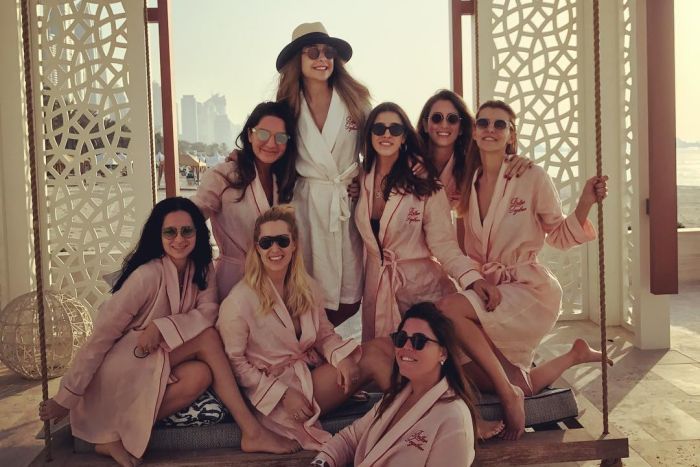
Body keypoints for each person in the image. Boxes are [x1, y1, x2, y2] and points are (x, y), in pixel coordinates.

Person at [39, 197, 299, 467]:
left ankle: (116, 433)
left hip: (159, 357)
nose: (179, 239)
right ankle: (252, 431)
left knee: (200, 375)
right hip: (126, 362)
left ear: (197, 233)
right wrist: (67, 396)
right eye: (170, 232)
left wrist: (161, 327)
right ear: (159, 235)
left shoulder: (202, 270)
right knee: (209, 339)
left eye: (187, 231)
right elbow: (100, 337)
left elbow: (209, 312)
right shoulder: (146, 276)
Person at [436, 100, 610, 440]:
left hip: (528, 291)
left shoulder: (531, 176)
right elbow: (431, 190)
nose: (490, 129)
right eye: (483, 123)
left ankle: (507, 395)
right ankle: (572, 356)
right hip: (489, 290)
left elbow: (558, 236)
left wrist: (585, 202)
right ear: (474, 133)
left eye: (499, 124)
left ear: (511, 135)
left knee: (448, 311)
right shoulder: (467, 179)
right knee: (483, 373)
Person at [217, 205, 393, 450]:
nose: (275, 249)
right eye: (266, 243)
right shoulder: (239, 301)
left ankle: (408, 419)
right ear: (257, 248)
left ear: (294, 244)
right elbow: (234, 364)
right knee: (374, 357)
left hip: (308, 375)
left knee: (386, 345)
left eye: (282, 241)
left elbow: (323, 335)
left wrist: (340, 358)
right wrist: (282, 394)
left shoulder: (305, 287)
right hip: (278, 398)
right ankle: (404, 428)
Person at [355, 102, 483, 342]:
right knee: (381, 357)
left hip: (421, 290)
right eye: (379, 128)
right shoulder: (360, 179)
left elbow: (444, 244)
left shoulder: (425, 183)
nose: (386, 135)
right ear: (369, 135)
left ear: (404, 137)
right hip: (377, 288)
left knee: (422, 355)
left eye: (395, 129)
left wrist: (471, 278)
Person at [275, 22, 370, 325]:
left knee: (349, 294)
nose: (323, 59)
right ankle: (316, 341)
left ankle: (327, 339)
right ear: (298, 61)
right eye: (313, 53)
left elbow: (379, 146)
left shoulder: (355, 100)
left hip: (344, 202)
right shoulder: (286, 108)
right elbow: (267, 149)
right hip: (306, 204)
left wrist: (363, 178)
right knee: (308, 287)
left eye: (328, 53)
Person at [310, 302, 477, 467]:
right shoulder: (395, 397)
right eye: (401, 338)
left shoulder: (453, 418)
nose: (406, 347)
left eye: (419, 341)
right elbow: (350, 438)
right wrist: (321, 462)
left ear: (443, 352)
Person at [192, 101, 298, 300]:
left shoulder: (285, 180)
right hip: (234, 281)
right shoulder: (224, 175)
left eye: (281, 137)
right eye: (263, 134)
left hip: (276, 281)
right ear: (250, 134)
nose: (271, 143)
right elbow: (192, 215)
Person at [416, 89, 532, 245]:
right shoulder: (409, 161)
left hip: (438, 246)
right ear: (425, 125)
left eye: (452, 119)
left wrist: (519, 160)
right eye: (437, 118)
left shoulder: (471, 169)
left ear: (462, 127)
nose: (444, 125)